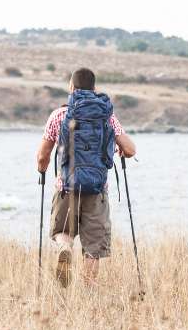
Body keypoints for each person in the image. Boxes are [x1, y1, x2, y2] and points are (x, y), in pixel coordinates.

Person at [36, 67, 136, 287]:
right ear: (94, 88)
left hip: (66, 186)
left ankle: (64, 248)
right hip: (97, 188)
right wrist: (118, 150)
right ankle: (89, 291)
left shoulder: (59, 115)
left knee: (62, 231)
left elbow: (43, 154)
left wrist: (42, 169)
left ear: (71, 88)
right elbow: (130, 149)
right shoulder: (106, 115)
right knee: (93, 247)